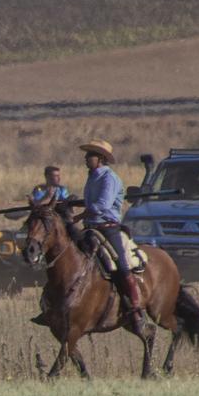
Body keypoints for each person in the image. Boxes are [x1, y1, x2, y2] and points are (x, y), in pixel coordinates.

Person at [78, 138, 140, 322]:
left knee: (120, 263)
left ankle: (134, 303)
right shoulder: (91, 177)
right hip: (90, 227)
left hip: (108, 228)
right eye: (87, 155)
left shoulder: (109, 178)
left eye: (90, 155)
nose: (86, 158)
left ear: (101, 158)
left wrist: (80, 215)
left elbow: (102, 205)